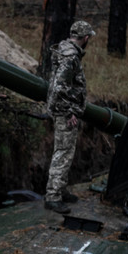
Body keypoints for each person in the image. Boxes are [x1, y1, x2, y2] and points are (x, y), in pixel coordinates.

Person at [43, 20, 95, 214]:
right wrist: (69, 111)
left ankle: (61, 189)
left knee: (66, 152)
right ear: (86, 38)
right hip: (64, 112)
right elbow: (60, 87)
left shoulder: (64, 50)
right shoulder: (71, 56)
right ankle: (53, 196)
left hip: (62, 109)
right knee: (63, 153)